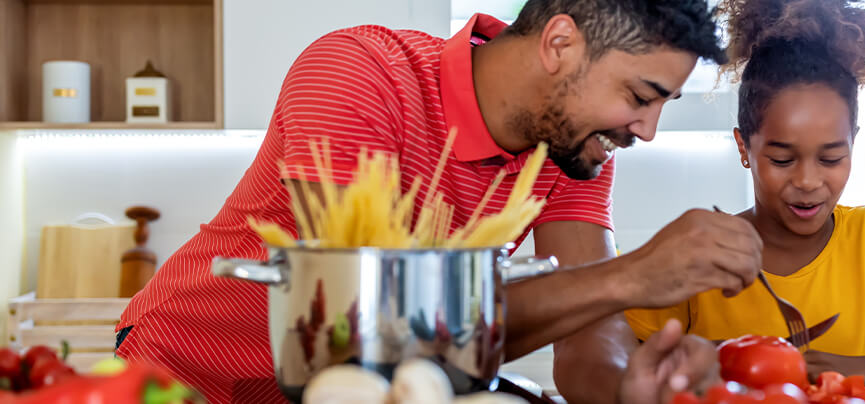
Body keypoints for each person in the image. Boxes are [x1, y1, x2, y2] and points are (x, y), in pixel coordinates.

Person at [115, 1, 763, 402]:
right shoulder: (358, 71)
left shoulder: (572, 148)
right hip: (185, 379)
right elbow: (363, 328)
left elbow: (589, 334)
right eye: (640, 96)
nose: (644, 131)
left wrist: (631, 387)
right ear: (559, 44)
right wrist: (630, 275)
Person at [564, 0, 865, 396]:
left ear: (854, 142)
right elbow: (619, 368)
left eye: (831, 159)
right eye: (783, 159)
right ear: (743, 148)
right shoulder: (698, 256)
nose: (809, 181)